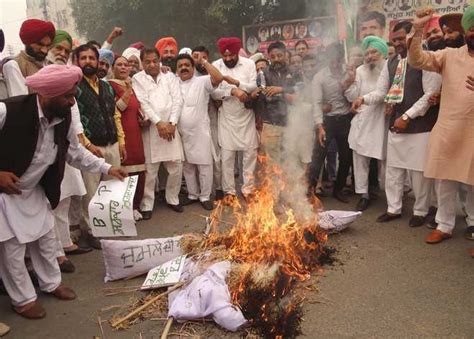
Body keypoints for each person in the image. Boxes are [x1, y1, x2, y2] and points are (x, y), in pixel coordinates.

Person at [0, 64, 127, 319]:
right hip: (5, 194)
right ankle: (22, 299)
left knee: (47, 240)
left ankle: (50, 283)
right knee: (12, 250)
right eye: (68, 96)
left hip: (35, 189)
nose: (71, 102)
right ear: (47, 94)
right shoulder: (7, 110)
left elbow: (73, 152)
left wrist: (107, 168)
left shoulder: (63, 116)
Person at [352, 21, 442, 227]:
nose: (399, 43)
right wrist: (364, 99)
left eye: (402, 39)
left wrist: (407, 117)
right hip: (396, 125)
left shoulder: (427, 59)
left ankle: (420, 211)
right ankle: (393, 208)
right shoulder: (392, 62)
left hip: (420, 126)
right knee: (393, 171)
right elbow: (382, 92)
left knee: (419, 174)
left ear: (414, 36)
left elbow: (430, 94)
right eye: (395, 40)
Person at [408, 7, 474, 245]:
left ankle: (473, 224)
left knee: (472, 182)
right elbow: (417, 60)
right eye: (472, 28)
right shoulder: (450, 55)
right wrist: (417, 29)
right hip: (448, 130)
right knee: (444, 181)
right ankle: (444, 225)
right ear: (466, 31)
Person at [46, 30, 92, 273]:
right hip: (49, 143)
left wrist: (80, 138)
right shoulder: (41, 71)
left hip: (69, 141)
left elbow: (73, 112)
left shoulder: (66, 75)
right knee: (54, 200)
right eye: (58, 48)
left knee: (66, 199)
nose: (62, 53)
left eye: (66, 50)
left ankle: (65, 244)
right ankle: (56, 254)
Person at [74, 44, 126, 248]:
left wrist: (121, 141)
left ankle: (109, 227)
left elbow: (115, 114)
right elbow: (75, 120)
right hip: (90, 147)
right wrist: (86, 144)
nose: (88, 61)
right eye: (83, 58)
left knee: (112, 188)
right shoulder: (75, 87)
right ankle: (91, 231)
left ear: (98, 62)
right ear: (77, 61)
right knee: (91, 191)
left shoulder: (106, 86)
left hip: (112, 143)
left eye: (91, 58)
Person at [132, 47, 184, 218]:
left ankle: (172, 198)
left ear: (159, 59)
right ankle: (147, 205)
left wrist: (172, 122)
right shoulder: (137, 79)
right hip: (152, 130)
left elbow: (177, 100)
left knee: (176, 166)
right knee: (150, 170)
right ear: (142, 62)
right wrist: (159, 123)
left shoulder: (169, 76)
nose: (152, 64)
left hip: (171, 127)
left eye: (155, 60)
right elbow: (143, 103)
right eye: (148, 61)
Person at [211, 37, 258, 201]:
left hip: (246, 115)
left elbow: (253, 86)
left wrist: (236, 83)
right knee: (227, 157)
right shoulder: (216, 65)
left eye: (231, 55)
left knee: (249, 154)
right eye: (225, 56)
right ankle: (229, 191)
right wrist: (232, 92)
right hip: (227, 116)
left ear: (237, 52)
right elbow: (214, 91)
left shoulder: (249, 64)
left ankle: (248, 190)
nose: (228, 59)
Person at [345, 36, 388, 211]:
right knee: (360, 159)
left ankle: (391, 196)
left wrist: (362, 99)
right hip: (363, 120)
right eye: (367, 53)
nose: (370, 56)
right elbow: (350, 96)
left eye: (374, 52)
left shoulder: (389, 69)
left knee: (385, 161)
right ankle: (363, 194)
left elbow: (383, 93)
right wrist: (350, 80)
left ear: (383, 53)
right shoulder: (360, 70)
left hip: (382, 119)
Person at [176, 53, 224, 210]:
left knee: (204, 165)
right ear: (176, 70)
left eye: (187, 65)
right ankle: (192, 195)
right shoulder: (173, 83)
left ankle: (204, 196)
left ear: (192, 67)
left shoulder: (201, 81)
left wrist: (203, 61)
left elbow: (218, 78)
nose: (183, 68)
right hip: (181, 133)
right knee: (188, 166)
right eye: (180, 66)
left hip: (200, 132)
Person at [308, 43, 353, 203]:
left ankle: (338, 189)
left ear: (342, 58)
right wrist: (319, 126)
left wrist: (350, 81)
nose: (334, 63)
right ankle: (311, 191)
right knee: (318, 157)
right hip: (327, 122)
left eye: (338, 59)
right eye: (331, 60)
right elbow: (316, 103)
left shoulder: (349, 74)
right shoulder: (319, 77)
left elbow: (354, 97)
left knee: (346, 157)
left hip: (346, 120)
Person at [109, 56, 147, 221]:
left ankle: (136, 206)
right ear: (113, 68)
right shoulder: (110, 85)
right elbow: (119, 107)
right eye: (120, 65)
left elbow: (136, 107)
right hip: (122, 133)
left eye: (126, 65)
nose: (124, 67)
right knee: (125, 171)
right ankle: (125, 208)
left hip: (136, 133)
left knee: (139, 170)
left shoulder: (132, 85)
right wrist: (128, 89)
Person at [254, 41, 296, 165]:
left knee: (291, 159)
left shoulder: (295, 71)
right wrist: (288, 95)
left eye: (279, 56)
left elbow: (302, 90)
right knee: (273, 163)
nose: (276, 59)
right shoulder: (263, 74)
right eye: (272, 57)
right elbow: (265, 95)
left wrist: (280, 90)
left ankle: (292, 185)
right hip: (271, 123)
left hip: (293, 122)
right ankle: (275, 185)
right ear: (268, 57)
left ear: (285, 54)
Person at [192, 46, 224, 200]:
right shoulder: (192, 75)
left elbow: (219, 91)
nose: (199, 60)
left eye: (203, 57)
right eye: (196, 57)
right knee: (200, 160)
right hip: (196, 126)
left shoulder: (212, 71)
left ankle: (219, 188)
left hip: (214, 121)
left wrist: (204, 63)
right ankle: (200, 192)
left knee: (217, 157)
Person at [3, 19, 55, 97]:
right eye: (40, 44)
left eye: (48, 46)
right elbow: (22, 102)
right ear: (27, 42)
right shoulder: (14, 66)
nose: (44, 50)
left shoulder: (50, 65)